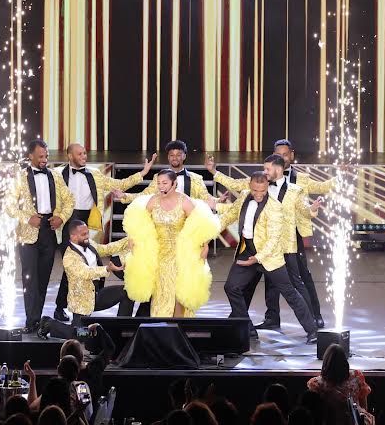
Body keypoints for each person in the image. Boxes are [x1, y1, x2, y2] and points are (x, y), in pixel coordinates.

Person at [208, 153, 321, 331]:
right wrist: (206, 233)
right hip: (248, 250)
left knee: (290, 291)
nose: (258, 194)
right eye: (255, 190)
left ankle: (312, 329)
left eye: (262, 191)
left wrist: (258, 258)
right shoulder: (244, 196)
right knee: (232, 287)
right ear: (250, 187)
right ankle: (248, 328)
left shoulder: (277, 204)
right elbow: (229, 215)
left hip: (271, 253)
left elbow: (275, 238)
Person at [51, 142, 151, 319]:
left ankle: (86, 302)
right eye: (80, 154)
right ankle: (65, 307)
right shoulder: (57, 174)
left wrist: (142, 173)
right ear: (70, 156)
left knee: (88, 261)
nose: (84, 156)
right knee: (73, 267)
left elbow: (119, 184)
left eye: (85, 153)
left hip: (84, 223)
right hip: (67, 223)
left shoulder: (94, 174)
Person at [121, 168, 221, 318]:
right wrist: (133, 238)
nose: (161, 186)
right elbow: (140, 222)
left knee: (178, 290)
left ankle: (178, 324)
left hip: (181, 253)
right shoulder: (153, 201)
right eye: (159, 183)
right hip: (159, 253)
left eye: (165, 183)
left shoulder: (185, 201)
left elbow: (200, 224)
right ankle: (161, 324)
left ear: (174, 184)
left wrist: (205, 245)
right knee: (161, 290)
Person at [7, 139, 73, 332]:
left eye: (46, 156)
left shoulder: (55, 176)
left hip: (49, 231)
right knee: (30, 279)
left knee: (43, 278)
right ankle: (31, 321)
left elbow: (70, 199)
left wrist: (61, 217)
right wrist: (27, 218)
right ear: (31, 156)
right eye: (41, 156)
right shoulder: (20, 177)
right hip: (28, 232)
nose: (45, 160)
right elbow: (9, 205)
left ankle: (36, 319)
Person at [271, 139, 336, 328]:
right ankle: (272, 318)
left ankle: (315, 315)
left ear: (291, 155)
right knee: (271, 278)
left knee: (302, 276)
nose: (282, 158)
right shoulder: (267, 177)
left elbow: (322, 187)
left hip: (293, 234)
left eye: (285, 154)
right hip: (271, 234)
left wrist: (340, 175)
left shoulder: (301, 179)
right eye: (278, 155)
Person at [57, 217, 134, 320]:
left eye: (87, 233)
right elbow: (86, 272)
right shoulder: (69, 257)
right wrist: (107, 269)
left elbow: (106, 249)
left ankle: (122, 327)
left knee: (128, 292)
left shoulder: (89, 243)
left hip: (97, 294)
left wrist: (128, 240)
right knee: (79, 330)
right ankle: (50, 324)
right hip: (82, 302)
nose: (87, 236)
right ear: (73, 237)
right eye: (83, 234)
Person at [306, 343, 372, 425]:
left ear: (326, 363)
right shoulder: (357, 377)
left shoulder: (317, 384)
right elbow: (364, 405)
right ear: (345, 361)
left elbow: (316, 413)